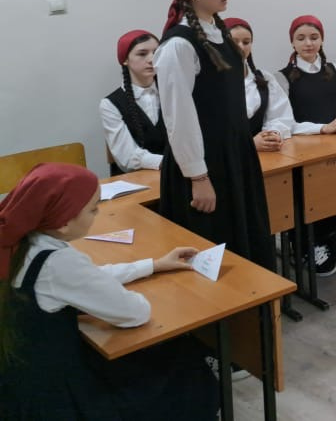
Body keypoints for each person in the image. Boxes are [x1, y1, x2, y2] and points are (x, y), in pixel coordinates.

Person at [0, 163, 217, 419]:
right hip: (55, 396)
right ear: (64, 223)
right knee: (183, 362)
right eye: (93, 209)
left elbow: (86, 277)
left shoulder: (24, 240)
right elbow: (135, 312)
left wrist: (153, 265)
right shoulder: (57, 262)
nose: (97, 214)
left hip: (21, 380)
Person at [153, 0, 275, 271]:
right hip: (204, 165)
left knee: (245, 239)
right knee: (213, 248)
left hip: (235, 155)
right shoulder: (178, 46)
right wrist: (199, 177)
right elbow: (179, 119)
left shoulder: (219, 33)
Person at [275, 15, 336, 274]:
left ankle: (335, 232)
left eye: (314, 37)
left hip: (335, 142)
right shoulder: (283, 77)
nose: (308, 43)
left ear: (322, 40)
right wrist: (322, 128)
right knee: (309, 197)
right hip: (303, 148)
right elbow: (286, 124)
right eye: (301, 38)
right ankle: (308, 244)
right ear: (292, 42)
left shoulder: (334, 70)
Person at [223, 18, 294, 153]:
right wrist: (249, 144)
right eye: (234, 41)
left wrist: (272, 134)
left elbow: (281, 116)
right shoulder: (209, 82)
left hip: (263, 155)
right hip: (226, 157)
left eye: (246, 42)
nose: (241, 47)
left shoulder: (264, 79)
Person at [101, 30, 166, 175]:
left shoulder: (172, 93)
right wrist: (171, 163)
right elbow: (128, 158)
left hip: (175, 178)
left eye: (156, 53)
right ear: (125, 60)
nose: (152, 59)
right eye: (142, 54)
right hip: (135, 180)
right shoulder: (110, 104)